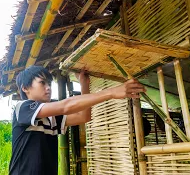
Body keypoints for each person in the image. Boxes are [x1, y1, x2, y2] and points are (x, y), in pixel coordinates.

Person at [9, 66, 145, 175]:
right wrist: (110, 93)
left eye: (49, 83)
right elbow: (65, 106)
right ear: (25, 88)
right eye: (42, 83)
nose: (48, 87)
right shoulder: (23, 107)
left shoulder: (51, 117)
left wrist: (84, 85)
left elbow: (83, 116)